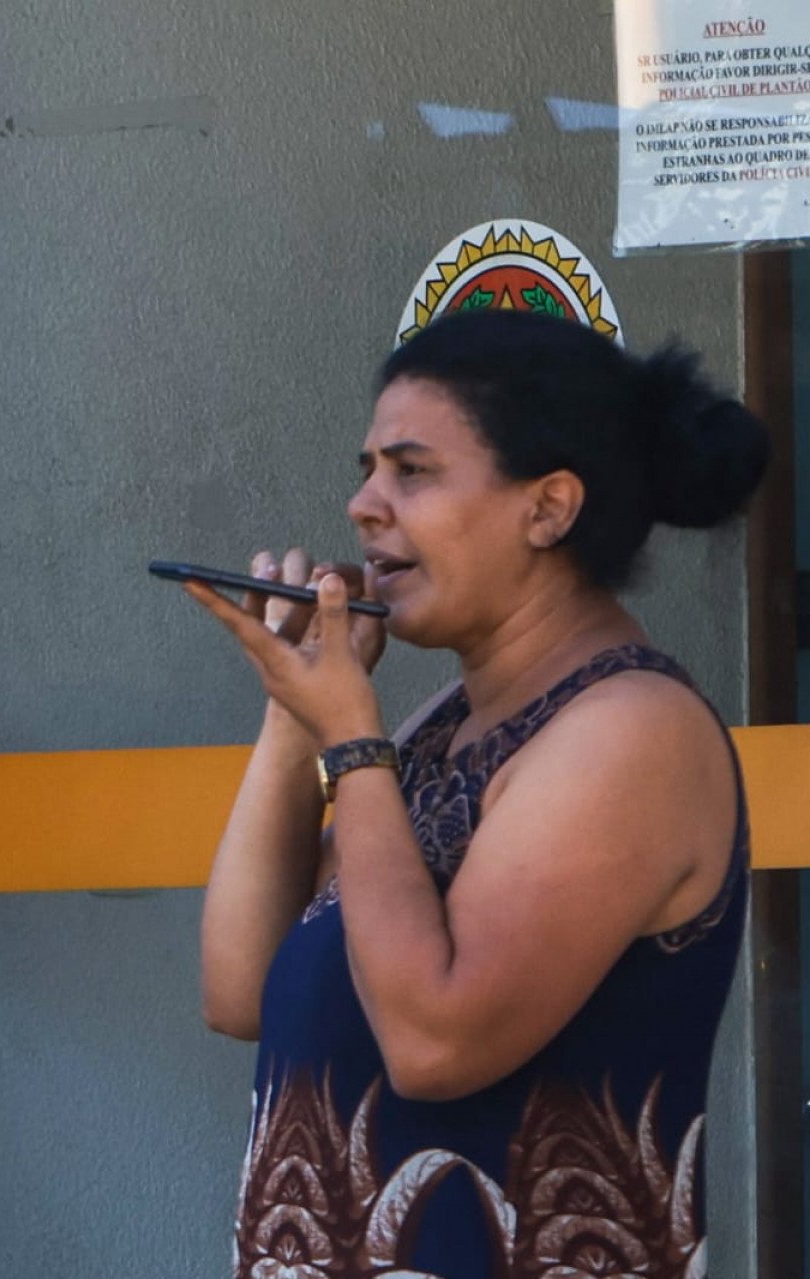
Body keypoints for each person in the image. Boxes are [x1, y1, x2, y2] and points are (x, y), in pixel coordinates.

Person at [184, 310, 767, 1279]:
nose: (364, 505)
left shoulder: (630, 731)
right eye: (368, 468)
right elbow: (239, 990)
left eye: (412, 471)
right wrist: (296, 714)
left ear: (548, 507)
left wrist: (350, 737)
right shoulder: (438, 726)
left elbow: (434, 1041)